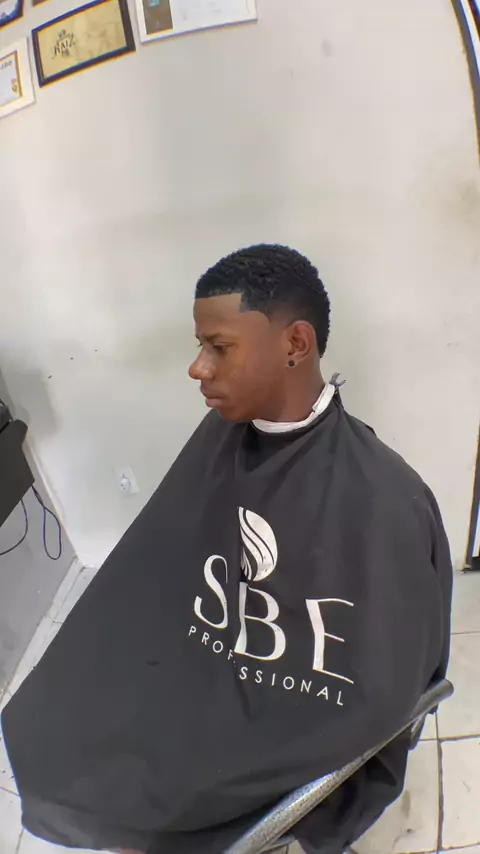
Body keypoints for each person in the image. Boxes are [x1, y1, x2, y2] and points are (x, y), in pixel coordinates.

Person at [1, 245, 452, 854]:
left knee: (146, 802)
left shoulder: (385, 497)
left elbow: (376, 692)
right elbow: (165, 560)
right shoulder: (222, 437)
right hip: (208, 659)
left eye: (219, 347)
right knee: (56, 719)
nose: (197, 368)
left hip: (280, 705)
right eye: (200, 346)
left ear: (295, 344)